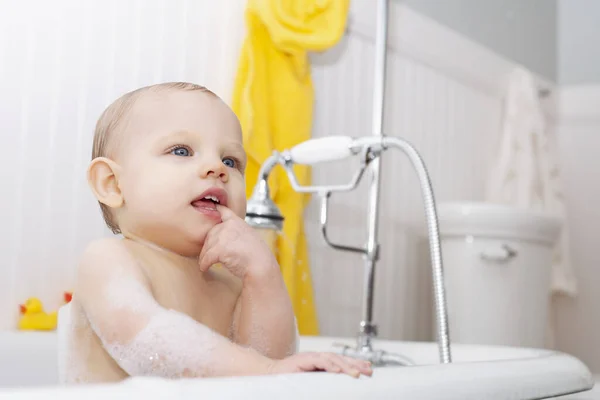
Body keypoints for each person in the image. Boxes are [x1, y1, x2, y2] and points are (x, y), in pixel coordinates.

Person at [61, 82, 373, 383]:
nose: (217, 168)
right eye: (181, 151)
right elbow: (146, 341)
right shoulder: (109, 260)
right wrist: (266, 371)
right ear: (112, 184)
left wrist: (263, 276)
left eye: (231, 160)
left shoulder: (233, 283)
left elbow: (272, 370)